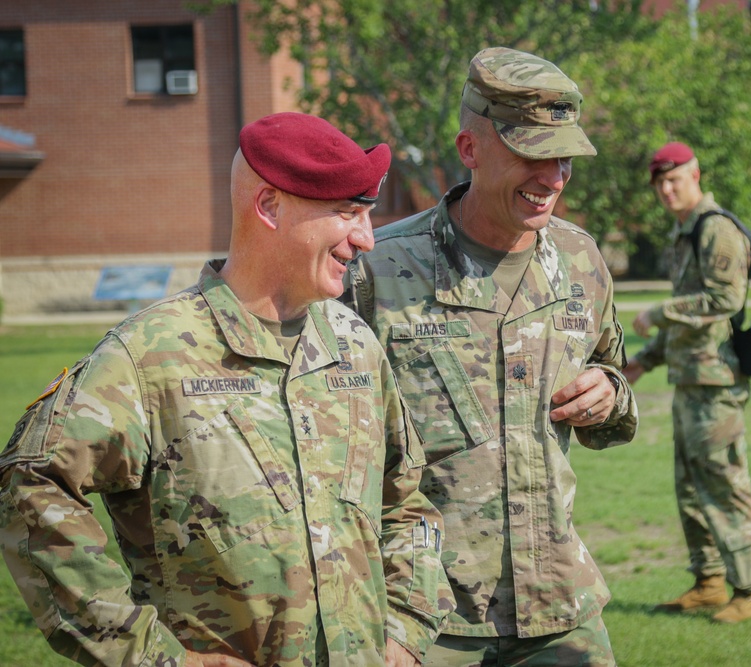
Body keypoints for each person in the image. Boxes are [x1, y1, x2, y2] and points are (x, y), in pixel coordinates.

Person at [0, 112, 453, 667]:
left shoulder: (354, 343)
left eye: (368, 214)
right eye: (347, 213)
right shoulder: (151, 354)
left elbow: (407, 502)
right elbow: (30, 484)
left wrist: (405, 633)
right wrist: (151, 655)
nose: (365, 237)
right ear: (269, 207)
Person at [341, 47, 638, 665]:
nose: (553, 178)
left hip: (558, 606)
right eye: (532, 155)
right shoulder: (378, 270)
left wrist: (608, 392)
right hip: (425, 613)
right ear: (470, 150)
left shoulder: (581, 261)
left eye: (563, 158)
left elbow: (613, 376)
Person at [623, 141, 751, 624]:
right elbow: (690, 316)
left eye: (674, 179)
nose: (666, 189)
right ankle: (708, 583)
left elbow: (725, 299)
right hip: (689, 378)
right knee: (690, 487)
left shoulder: (716, 229)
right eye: (660, 183)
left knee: (725, 484)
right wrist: (644, 361)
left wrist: (657, 312)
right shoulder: (684, 232)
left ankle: (749, 589)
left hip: (716, 383)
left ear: (696, 174)